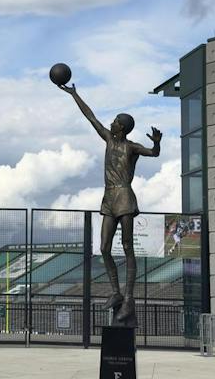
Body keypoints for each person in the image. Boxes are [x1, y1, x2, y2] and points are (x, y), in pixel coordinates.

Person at [59, 80, 161, 325]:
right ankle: (116, 291)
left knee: (127, 246)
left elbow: (154, 153)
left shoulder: (131, 147)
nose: (112, 123)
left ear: (122, 127)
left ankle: (129, 298)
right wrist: (74, 94)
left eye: (116, 121)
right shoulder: (108, 139)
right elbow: (90, 117)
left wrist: (157, 142)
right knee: (104, 247)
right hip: (109, 198)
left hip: (124, 196)